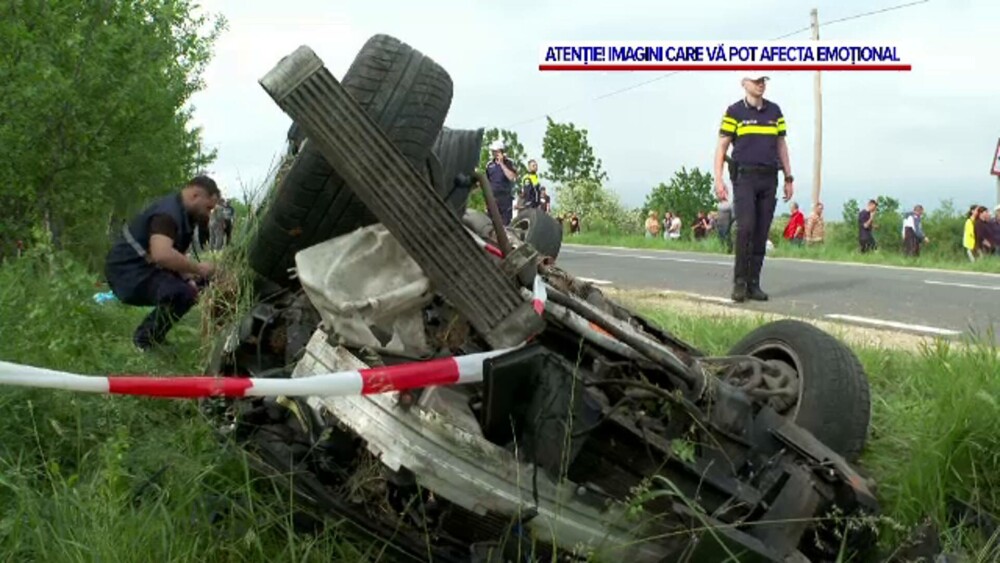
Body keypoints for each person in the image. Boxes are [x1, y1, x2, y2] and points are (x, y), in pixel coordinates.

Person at [104, 176, 220, 351]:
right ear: (195, 195)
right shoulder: (167, 214)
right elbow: (162, 255)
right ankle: (143, 341)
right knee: (182, 293)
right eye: (208, 207)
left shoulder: (183, 214)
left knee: (201, 284)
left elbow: (174, 256)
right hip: (127, 273)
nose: (208, 213)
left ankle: (156, 336)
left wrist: (191, 276)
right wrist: (198, 268)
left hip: (143, 268)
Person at [714, 72, 794, 302]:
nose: (760, 84)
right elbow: (721, 147)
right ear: (744, 83)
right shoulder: (734, 112)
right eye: (756, 80)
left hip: (769, 177)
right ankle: (739, 283)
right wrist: (718, 179)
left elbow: (781, 145)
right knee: (746, 227)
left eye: (763, 81)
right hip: (744, 177)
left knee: (761, 232)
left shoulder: (774, 111)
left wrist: (789, 177)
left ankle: (754, 283)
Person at [485, 140, 518, 226]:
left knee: (505, 223)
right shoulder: (489, 165)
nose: (495, 154)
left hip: (505, 198)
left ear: (502, 152)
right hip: (493, 197)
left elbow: (512, 177)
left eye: (497, 151)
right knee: (491, 221)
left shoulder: (509, 163)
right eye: (493, 151)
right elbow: (487, 181)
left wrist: (502, 164)